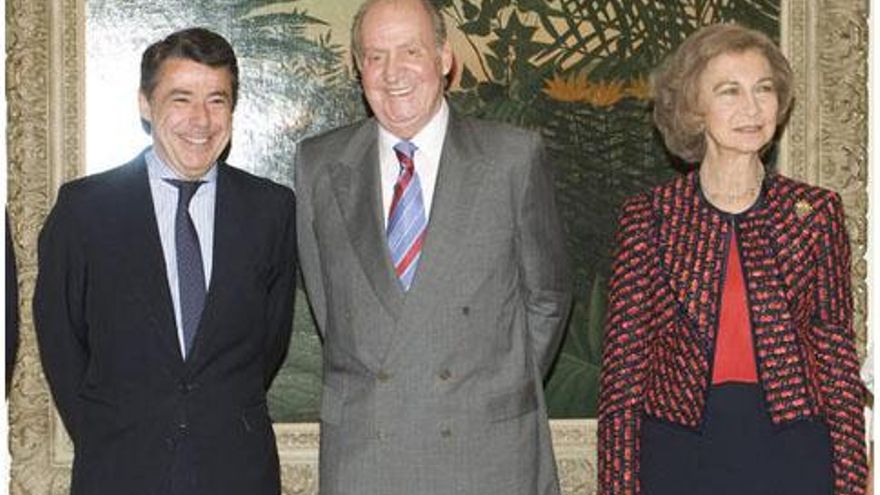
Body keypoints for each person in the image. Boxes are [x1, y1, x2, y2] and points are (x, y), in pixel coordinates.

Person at [295, 0, 572, 493]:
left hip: (486, 453)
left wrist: (491, 385)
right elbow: (330, 306)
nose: (392, 73)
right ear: (358, 67)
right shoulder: (319, 164)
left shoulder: (511, 157)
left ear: (444, 58)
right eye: (375, 56)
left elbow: (547, 296)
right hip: (366, 456)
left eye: (410, 51)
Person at [597, 23, 868, 495]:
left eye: (763, 89)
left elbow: (836, 356)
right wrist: (618, 485)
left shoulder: (815, 213)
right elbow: (623, 371)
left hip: (794, 450)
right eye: (729, 91)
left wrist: (849, 479)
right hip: (680, 453)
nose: (752, 107)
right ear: (693, 108)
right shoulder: (650, 217)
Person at [34, 27, 296, 495]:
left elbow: (268, 343)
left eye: (216, 100)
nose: (201, 120)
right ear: (145, 103)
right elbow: (61, 342)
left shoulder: (270, 211)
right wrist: (111, 434)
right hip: (119, 471)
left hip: (237, 473)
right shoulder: (85, 210)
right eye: (181, 99)